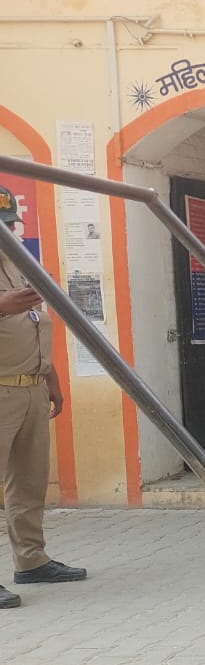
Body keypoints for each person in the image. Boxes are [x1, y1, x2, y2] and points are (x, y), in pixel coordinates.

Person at [0, 188, 83, 609]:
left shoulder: (18, 264)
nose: (7, 233)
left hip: (29, 387)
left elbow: (34, 322)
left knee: (29, 482)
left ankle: (31, 561)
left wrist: (49, 377)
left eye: (9, 225)